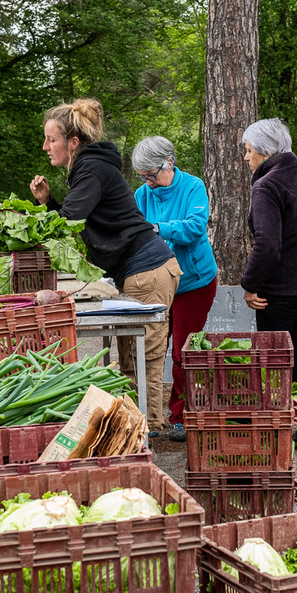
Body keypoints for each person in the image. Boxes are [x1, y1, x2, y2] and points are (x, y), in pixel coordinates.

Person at [30, 99, 181, 433]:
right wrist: (47, 203)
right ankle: (140, 429)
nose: (45, 147)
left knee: (145, 360)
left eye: (51, 139)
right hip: (142, 270)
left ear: (72, 143)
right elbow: (74, 217)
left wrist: (30, 225)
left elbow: (69, 221)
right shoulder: (89, 169)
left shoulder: (91, 169)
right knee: (132, 359)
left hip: (149, 270)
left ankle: (148, 431)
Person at [131, 136, 218, 442]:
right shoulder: (142, 194)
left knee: (183, 350)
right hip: (155, 282)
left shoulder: (193, 187)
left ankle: (181, 416)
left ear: (168, 163)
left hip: (193, 282)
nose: (148, 182)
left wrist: (159, 229)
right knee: (152, 348)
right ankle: (151, 414)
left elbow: (195, 228)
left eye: (151, 175)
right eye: (142, 177)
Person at [239, 118, 297, 393]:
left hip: (281, 290)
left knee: (274, 359)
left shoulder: (267, 185)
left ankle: (276, 426)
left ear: (264, 151)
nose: (246, 157)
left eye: (248, 150)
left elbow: (268, 244)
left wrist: (250, 285)